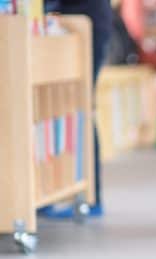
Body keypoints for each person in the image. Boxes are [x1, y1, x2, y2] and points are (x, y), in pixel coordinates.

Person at [40, 0, 113, 218]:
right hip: (68, 24)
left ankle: (91, 196)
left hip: (85, 26)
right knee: (53, 107)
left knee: (80, 105)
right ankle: (47, 192)